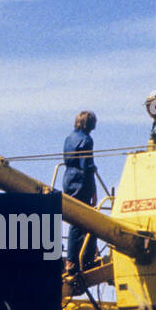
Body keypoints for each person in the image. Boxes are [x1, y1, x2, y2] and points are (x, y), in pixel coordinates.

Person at [62, 110, 98, 276]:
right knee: (86, 220)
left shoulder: (69, 138)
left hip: (68, 181)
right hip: (81, 183)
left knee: (75, 222)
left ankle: (73, 258)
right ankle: (80, 258)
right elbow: (86, 167)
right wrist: (93, 190)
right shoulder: (86, 140)